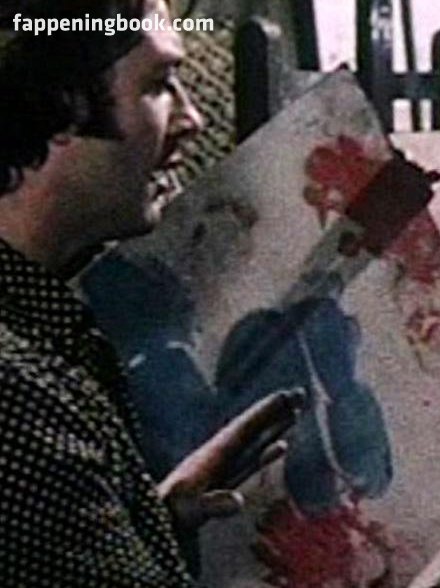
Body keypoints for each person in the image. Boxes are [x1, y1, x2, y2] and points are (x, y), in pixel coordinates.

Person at [0, 0, 300, 585]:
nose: (193, 118)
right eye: (160, 84)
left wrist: (142, 522)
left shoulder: (35, 330)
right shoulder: (18, 396)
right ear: (62, 104)